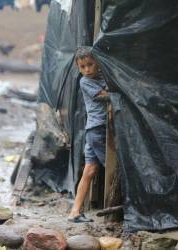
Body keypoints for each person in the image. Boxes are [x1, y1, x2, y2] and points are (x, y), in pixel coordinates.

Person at [68, 47, 109, 223]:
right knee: (112, 166)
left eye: (90, 65)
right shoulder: (85, 82)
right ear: (78, 67)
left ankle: (74, 212)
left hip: (93, 129)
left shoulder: (102, 76)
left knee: (90, 170)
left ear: (97, 62)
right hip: (97, 129)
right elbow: (105, 96)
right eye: (82, 67)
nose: (87, 70)